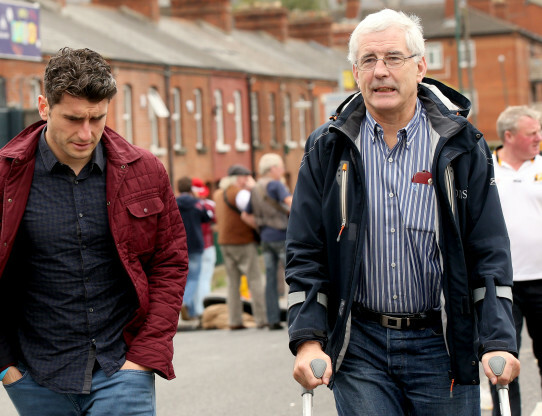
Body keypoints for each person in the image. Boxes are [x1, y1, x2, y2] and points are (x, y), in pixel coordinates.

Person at [286, 9, 520, 415]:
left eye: (393, 58)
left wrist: (497, 339)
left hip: (442, 341)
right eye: (368, 61)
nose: (381, 72)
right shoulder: (328, 147)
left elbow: (488, 248)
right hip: (360, 345)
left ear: (420, 66)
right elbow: (306, 249)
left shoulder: (461, 144)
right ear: (355, 72)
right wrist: (308, 340)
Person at [0, 47, 188, 414]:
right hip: (36, 375)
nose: (86, 133)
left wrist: (145, 355)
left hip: (123, 367)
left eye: (97, 118)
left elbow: (170, 262)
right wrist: (6, 367)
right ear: (44, 107)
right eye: (73, 119)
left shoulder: (145, 171)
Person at [489, 105, 542, 416]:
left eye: (538, 131)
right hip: (502, 285)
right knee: (504, 360)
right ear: (509, 136)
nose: (538, 137)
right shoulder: (486, 169)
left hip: (541, 279)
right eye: (531, 133)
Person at [213, 164, 267, 329]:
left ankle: (234, 320)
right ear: (237, 178)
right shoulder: (240, 193)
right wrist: (255, 188)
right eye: (245, 176)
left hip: (224, 242)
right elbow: (256, 208)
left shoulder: (218, 194)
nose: (247, 179)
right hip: (242, 241)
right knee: (255, 280)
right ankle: (261, 318)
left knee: (232, 283)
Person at [242, 153, 292, 330]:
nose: (282, 170)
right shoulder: (276, 185)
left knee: (270, 280)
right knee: (294, 277)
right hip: (282, 236)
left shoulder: (255, 188)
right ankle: (296, 317)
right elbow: (291, 203)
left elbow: (246, 215)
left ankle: (273, 319)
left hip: (265, 238)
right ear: (272, 169)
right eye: (280, 167)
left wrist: (260, 227)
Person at [176, 176, 211, 321]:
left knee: (182, 278)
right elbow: (206, 218)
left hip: (179, 244)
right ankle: (186, 302)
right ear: (190, 188)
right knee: (194, 277)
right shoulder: (196, 203)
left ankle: (189, 310)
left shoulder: (173, 202)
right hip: (195, 244)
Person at [191, 177, 217, 318]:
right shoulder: (209, 205)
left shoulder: (185, 204)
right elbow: (216, 223)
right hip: (207, 245)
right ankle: (204, 310)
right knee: (205, 278)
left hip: (191, 247)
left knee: (193, 279)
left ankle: (194, 309)